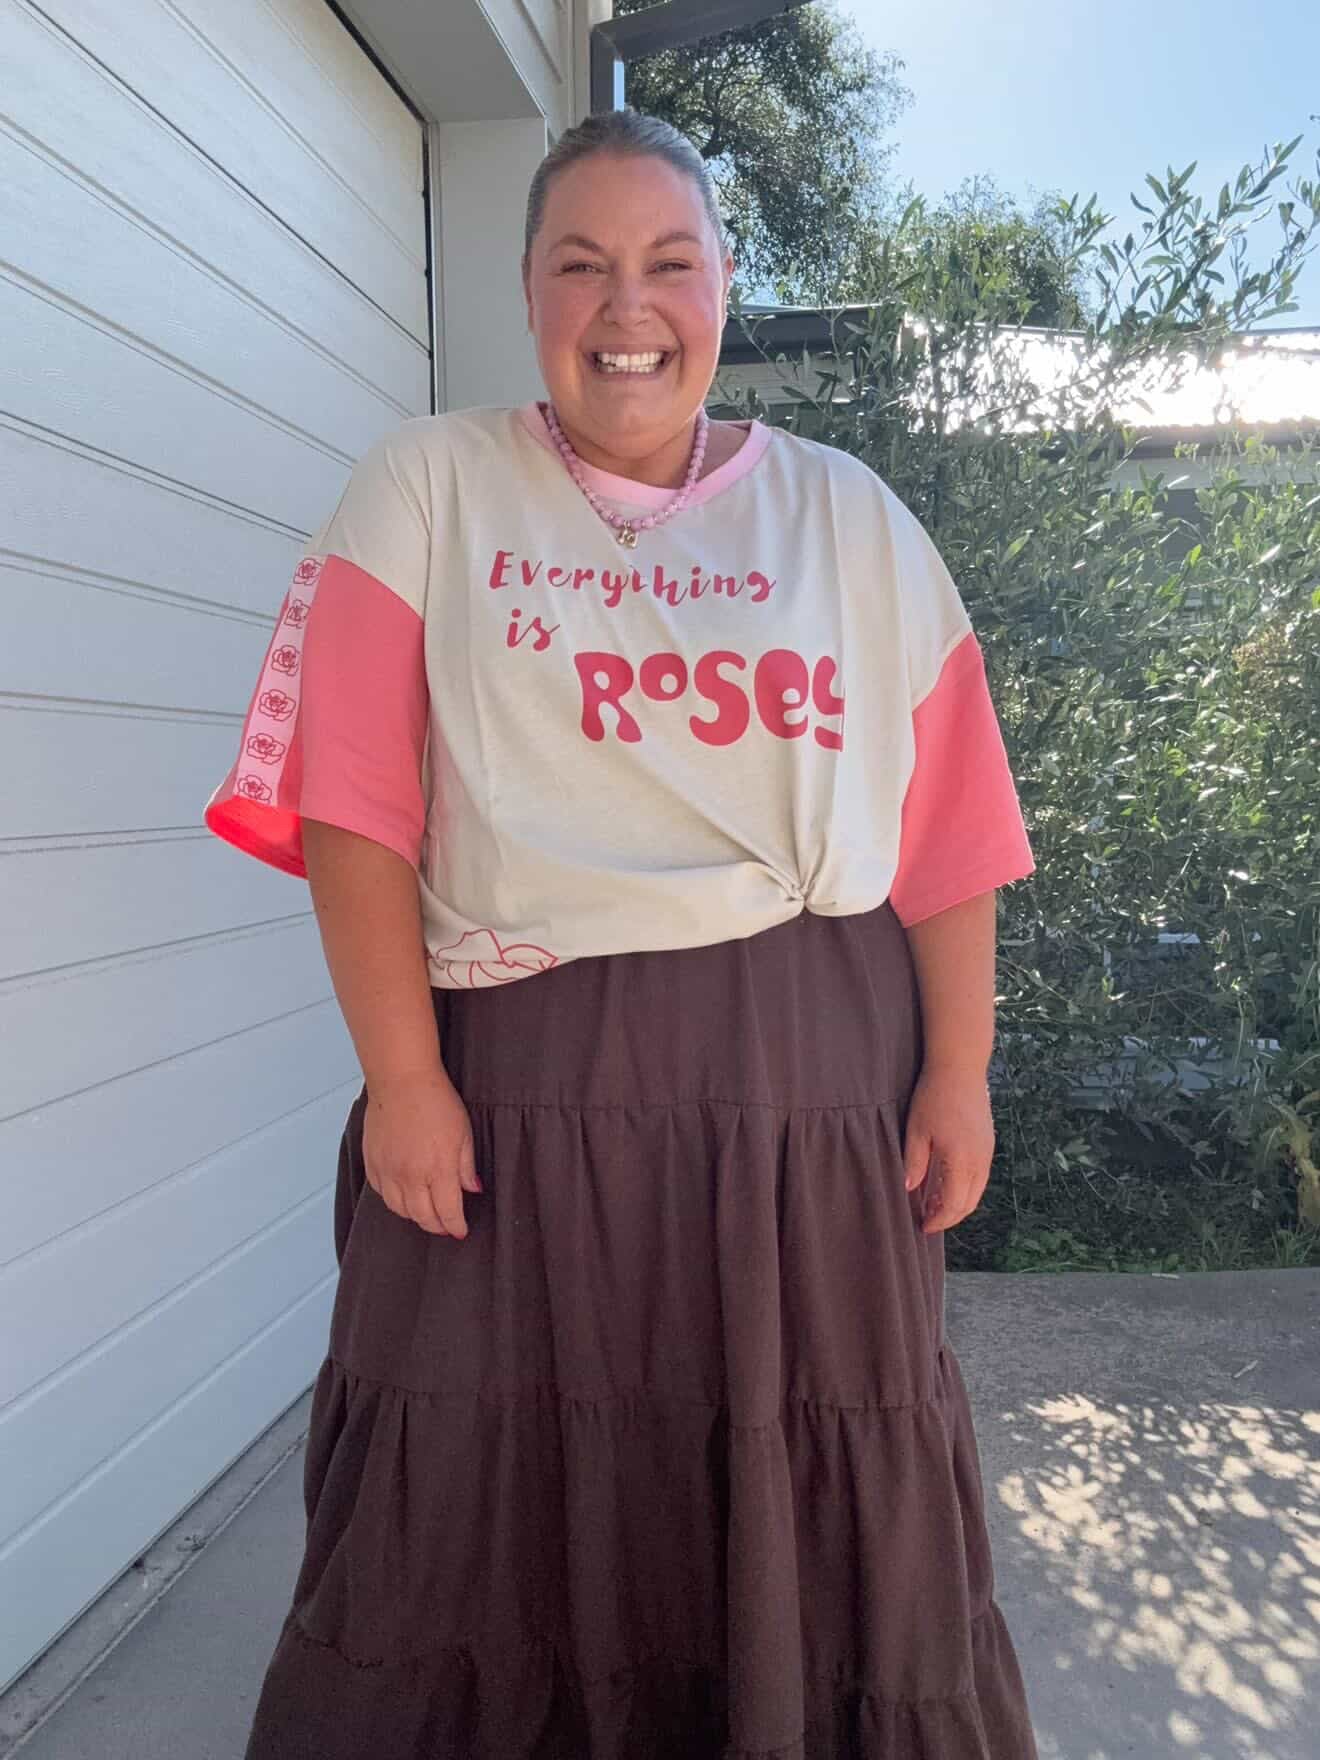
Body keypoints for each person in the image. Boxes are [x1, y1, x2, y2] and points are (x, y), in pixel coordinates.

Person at [206, 106, 1039, 1760]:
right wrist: (401, 1080)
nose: (626, 304)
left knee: (802, 1463)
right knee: (472, 1479)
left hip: (806, 1094)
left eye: (668, 261)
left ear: (726, 287)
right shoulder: (427, 491)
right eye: (580, 264)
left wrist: (963, 1073)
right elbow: (354, 811)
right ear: (529, 293)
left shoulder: (851, 523)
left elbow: (948, 835)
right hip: (515, 1089)